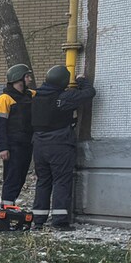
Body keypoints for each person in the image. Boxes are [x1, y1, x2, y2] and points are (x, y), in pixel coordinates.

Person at [30, 66, 96, 231]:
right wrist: (81, 80)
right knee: (61, 182)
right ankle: (60, 221)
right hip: (59, 144)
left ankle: (38, 220)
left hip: (38, 144)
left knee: (43, 181)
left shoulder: (36, 96)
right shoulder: (64, 97)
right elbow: (89, 93)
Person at [0, 64, 35, 207]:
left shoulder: (30, 95)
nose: (30, 79)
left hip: (27, 144)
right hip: (13, 145)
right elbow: (0, 125)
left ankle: (11, 205)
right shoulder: (5, 99)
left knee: (21, 177)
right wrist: (3, 147)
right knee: (12, 177)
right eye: (27, 76)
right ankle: (6, 208)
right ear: (19, 79)